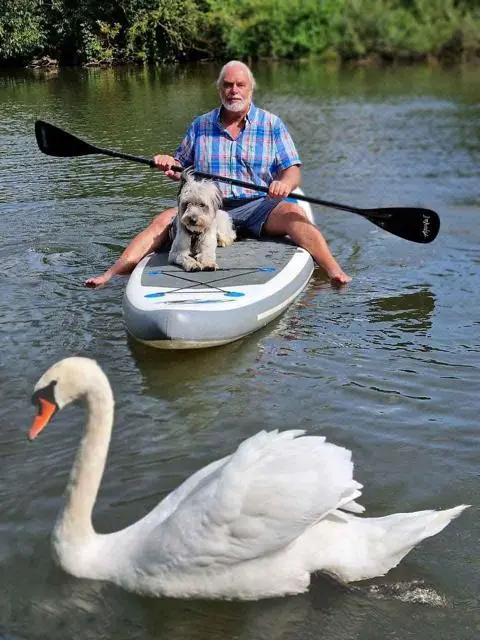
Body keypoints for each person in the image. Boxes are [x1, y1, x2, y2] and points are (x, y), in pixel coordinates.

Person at [85, 60, 351, 288]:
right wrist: (169, 163)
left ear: (250, 89)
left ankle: (334, 271)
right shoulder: (200, 125)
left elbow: (292, 169)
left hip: (260, 205)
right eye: (227, 85)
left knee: (295, 215)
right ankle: (111, 274)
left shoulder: (271, 124)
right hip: (207, 207)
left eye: (240, 85)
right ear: (219, 89)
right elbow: (181, 166)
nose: (233, 90)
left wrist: (283, 184)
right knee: (159, 222)